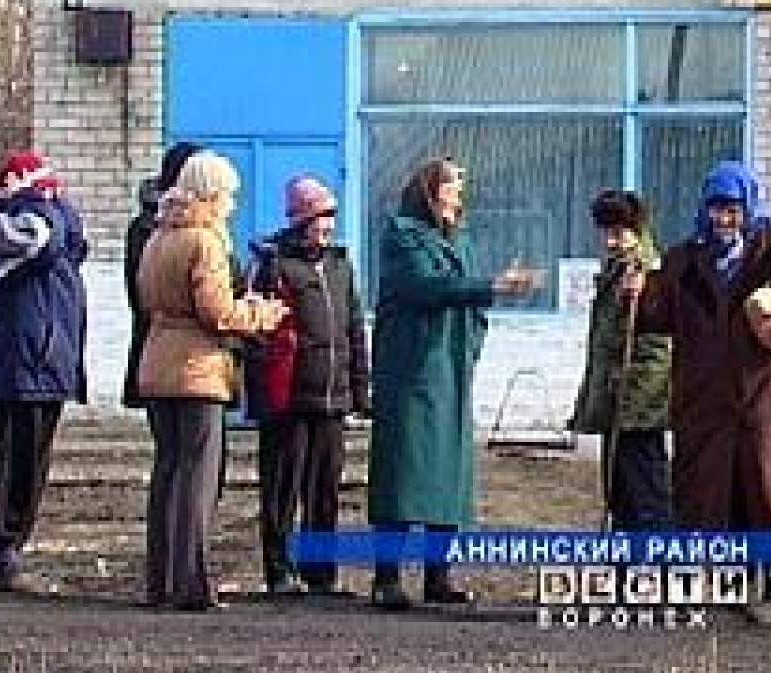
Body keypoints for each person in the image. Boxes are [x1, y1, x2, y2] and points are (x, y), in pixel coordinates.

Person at [624, 160, 771, 624]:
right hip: (706, 400)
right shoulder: (687, 258)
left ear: (750, 206)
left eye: (733, 210)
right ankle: (728, 588)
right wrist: (637, 295)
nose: (725, 221)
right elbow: (657, 317)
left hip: (769, 396)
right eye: (716, 210)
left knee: (770, 493)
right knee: (715, 495)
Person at [367, 156, 536, 610]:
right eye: (451, 185)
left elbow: (464, 291)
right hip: (413, 369)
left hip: (451, 367)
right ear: (429, 190)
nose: (458, 194)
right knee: (404, 473)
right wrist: (492, 286)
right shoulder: (402, 235)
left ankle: (438, 576)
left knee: (447, 480)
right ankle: (387, 578)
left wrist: (480, 321)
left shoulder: (457, 237)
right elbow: (428, 286)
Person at [136, 151, 287, 611]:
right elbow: (217, 312)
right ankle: (192, 582)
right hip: (198, 368)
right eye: (229, 195)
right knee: (197, 479)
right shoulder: (205, 242)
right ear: (212, 193)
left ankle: (160, 579)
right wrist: (262, 315)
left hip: (158, 362)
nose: (233, 205)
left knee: (167, 474)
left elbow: (146, 301)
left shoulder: (158, 237)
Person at [246, 175, 370, 596]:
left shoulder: (339, 263)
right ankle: (279, 572)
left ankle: (320, 574)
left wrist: (359, 390)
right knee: (282, 488)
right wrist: (264, 393)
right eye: (321, 215)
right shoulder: (274, 264)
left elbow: (354, 327)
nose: (329, 224)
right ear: (302, 219)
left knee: (325, 491)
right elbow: (260, 332)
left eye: (332, 215)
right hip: (289, 398)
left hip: (332, 397)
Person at [0, 150, 88, 594]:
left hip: (47, 361)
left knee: (32, 463)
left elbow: (68, 238)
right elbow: (41, 240)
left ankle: (11, 550)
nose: (51, 197)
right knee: (7, 460)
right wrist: (29, 202)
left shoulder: (52, 228)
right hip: (18, 362)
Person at [568, 190, 673, 532]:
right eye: (606, 232)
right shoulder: (617, 267)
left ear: (637, 228)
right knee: (619, 488)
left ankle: (657, 562)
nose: (611, 241)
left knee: (645, 488)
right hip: (616, 395)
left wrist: (640, 299)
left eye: (618, 233)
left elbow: (658, 343)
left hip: (638, 401)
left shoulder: (647, 270)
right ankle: (624, 560)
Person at [123, 142, 203, 410]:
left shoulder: (201, 226)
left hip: (188, 354)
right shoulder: (148, 228)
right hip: (166, 346)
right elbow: (141, 293)